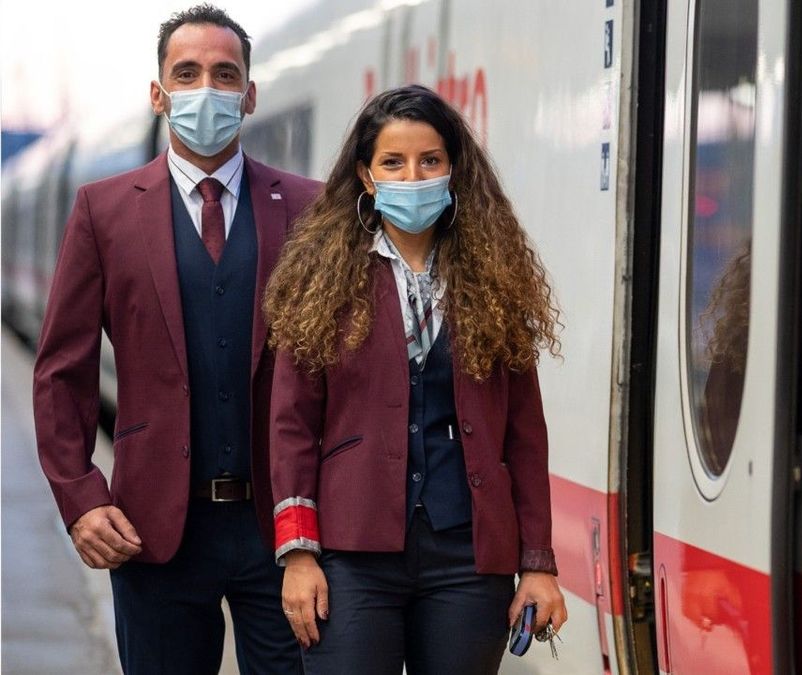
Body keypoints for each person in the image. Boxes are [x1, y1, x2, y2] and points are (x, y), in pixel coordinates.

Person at [32, 5, 320, 673]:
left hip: (283, 534)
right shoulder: (103, 211)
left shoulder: (308, 207)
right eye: (186, 74)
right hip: (151, 532)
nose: (207, 91)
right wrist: (79, 497)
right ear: (158, 94)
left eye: (225, 74)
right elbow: (61, 371)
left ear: (250, 95)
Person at [263, 85, 567, 673]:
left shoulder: (492, 279)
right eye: (393, 162)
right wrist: (298, 554)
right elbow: (290, 425)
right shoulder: (320, 278)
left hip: (467, 558)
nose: (414, 175)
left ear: (454, 171)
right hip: (350, 558)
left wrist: (538, 563)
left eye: (430, 161)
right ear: (367, 176)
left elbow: (524, 434)